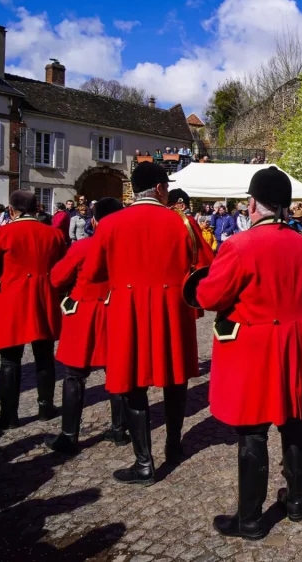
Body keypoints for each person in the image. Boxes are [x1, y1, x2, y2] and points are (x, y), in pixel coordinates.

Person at [194, 167, 302, 539]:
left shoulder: (237, 245)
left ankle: (250, 519)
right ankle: (295, 502)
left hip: (255, 348)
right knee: (292, 420)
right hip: (294, 344)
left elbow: (209, 297)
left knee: (252, 430)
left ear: (253, 203)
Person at [82, 162, 215, 485]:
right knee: (176, 379)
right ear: (158, 189)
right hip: (173, 308)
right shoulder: (182, 222)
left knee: (132, 384)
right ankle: (173, 443)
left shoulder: (111, 224)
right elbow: (207, 266)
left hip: (128, 310)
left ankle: (144, 462)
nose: (168, 192)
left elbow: (91, 273)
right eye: (166, 187)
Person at [0, 190, 66, 429]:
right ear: (36, 209)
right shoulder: (54, 234)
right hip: (44, 297)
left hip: (12, 299)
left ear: (12, 211)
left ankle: (9, 415)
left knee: (9, 359)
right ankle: (46, 407)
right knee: (44, 356)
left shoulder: (0, 233)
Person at [45, 198, 129, 454]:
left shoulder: (84, 247)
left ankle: (69, 435)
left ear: (94, 220)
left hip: (84, 312)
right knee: (117, 373)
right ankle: (119, 429)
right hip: (116, 311)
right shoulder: (128, 247)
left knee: (74, 376)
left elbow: (57, 278)